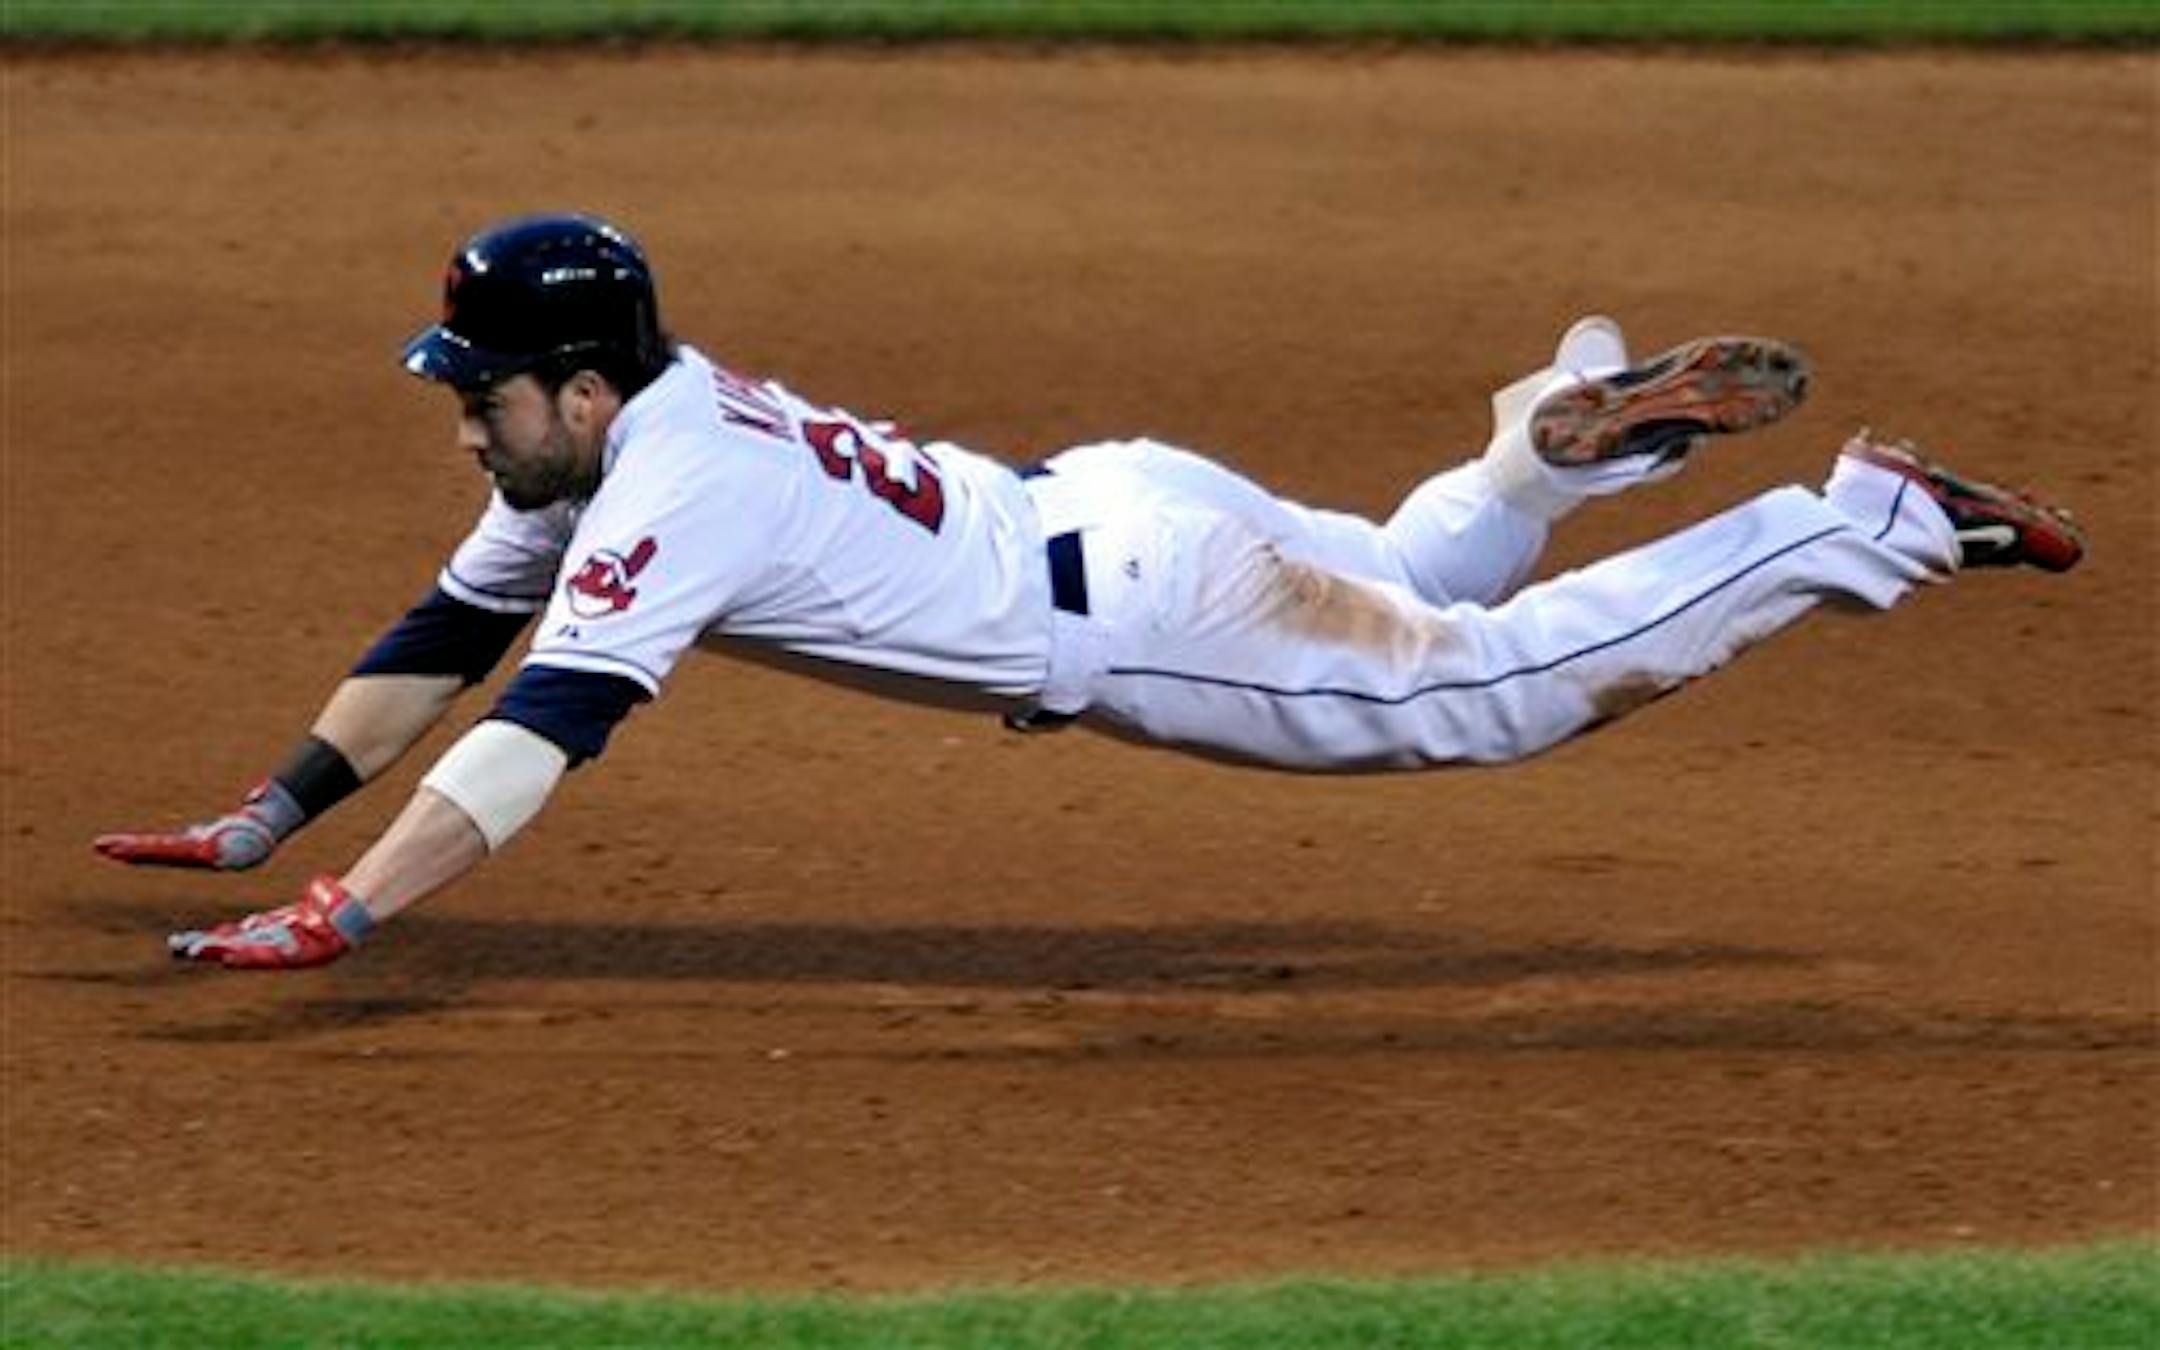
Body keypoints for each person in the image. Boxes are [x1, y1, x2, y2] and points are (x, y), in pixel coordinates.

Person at [96, 213, 2086, 970]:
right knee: (1402, 577)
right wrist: (267, 816)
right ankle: (1527, 459)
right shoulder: (631, 436)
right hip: (1130, 502)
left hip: (1142, 615)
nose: (468, 425)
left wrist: (345, 908)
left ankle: (1863, 525)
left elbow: (546, 727)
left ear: (582, 387)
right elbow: (452, 636)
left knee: (1483, 689)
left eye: (486, 390)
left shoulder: (663, 493)